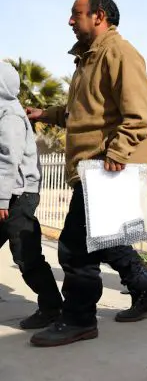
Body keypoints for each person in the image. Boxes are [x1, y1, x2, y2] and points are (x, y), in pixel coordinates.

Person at [26, 0, 147, 347]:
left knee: (75, 248)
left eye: (77, 14)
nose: (70, 21)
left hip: (107, 166)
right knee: (106, 240)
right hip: (93, 167)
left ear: (99, 16)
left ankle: (78, 320)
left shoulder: (119, 53)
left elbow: (141, 111)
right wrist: (44, 114)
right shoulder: (87, 60)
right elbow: (81, 111)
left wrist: (117, 152)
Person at [0, 62, 63, 330]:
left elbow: (8, 159)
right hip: (9, 194)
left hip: (18, 195)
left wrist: (2, 199)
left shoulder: (10, 115)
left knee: (26, 253)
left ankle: (52, 307)